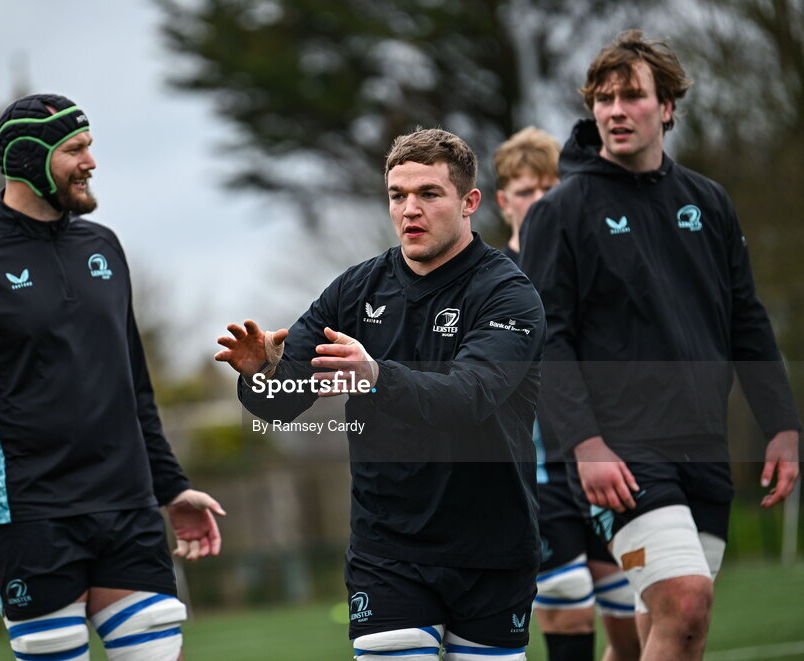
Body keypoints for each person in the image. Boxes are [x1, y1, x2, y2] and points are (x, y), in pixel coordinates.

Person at [0, 93, 225, 661]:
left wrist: (170, 488)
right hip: (26, 515)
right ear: (28, 158)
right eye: (75, 150)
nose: (91, 161)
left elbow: (135, 389)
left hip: (125, 506)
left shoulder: (104, 247)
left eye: (89, 146)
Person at [521, 31, 800, 661]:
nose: (616, 110)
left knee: (671, 628)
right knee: (685, 601)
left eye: (633, 96)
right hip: (618, 452)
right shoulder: (560, 213)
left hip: (702, 447)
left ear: (667, 106)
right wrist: (584, 445)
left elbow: (747, 320)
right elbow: (548, 341)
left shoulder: (709, 202)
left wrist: (783, 424)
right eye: (604, 98)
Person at [216, 128, 545, 660]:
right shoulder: (354, 290)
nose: (409, 209)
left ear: (469, 203)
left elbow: (468, 399)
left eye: (429, 194)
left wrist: (374, 375)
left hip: (491, 545)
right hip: (387, 549)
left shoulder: (508, 294)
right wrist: (258, 373)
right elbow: (281, 400)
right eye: (398, 195)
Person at [495, 127, 640, 661]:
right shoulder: (488, 278)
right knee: (568, 601)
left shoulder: (584, 265)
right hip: (535, 474)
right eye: (525, 191)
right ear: (504, 199)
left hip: (601, 458)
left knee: (629, 629)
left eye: (547, 189)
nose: (537, 202)